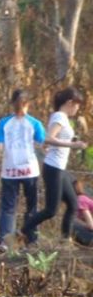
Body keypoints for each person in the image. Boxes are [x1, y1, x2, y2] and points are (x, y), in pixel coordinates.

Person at [20, 87, 88, 244]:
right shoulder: (59, 117)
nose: (77, 109)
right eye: (77, 105)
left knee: (73, 203)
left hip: (60, 168)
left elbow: (50, 142)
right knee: (51, 210)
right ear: (70, 103)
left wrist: (60, 145)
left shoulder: (63, 118)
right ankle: (22, 231)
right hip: (53, 168)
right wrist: (72, 145)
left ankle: (65, 239)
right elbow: (48, 138)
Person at [0, 90, 45, 251]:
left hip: (9, 171)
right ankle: (31, 239)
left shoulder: (4, 123)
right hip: (30, 171)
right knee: (31, 206)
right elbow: (43, 145)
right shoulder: (35, 123)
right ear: (28, 104)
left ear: (12, 103)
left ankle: (5, 239)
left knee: (8, 207)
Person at [72, 180, 93, 246]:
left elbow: (91, 225)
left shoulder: (80, 200)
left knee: (72, 223)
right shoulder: (83, 198)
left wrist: (84, 225)